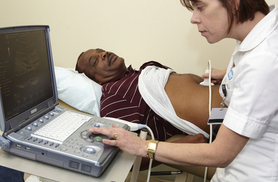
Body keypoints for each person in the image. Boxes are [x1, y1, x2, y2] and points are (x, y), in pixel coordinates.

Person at [88, 0, 278, 181]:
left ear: (234, 3)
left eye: (200, 7)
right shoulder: (262, 36)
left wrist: (143, 146)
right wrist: (232, 75)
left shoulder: (267, 60)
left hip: (260, 174)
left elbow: (221, 153)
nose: (193, 18)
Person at [76, 48, 223, 142]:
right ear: (96, 81)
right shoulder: (114, 98)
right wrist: (182, 144)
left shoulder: (144, 71)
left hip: (229, 94)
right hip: (225, 121)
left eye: (101, 50)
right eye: (95, 61)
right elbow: (125, 154)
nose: (104, 53)